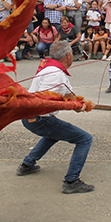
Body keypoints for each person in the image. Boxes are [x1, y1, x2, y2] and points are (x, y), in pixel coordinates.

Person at [15, 41, 94, 194]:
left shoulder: (52, 69)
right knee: (85, 139)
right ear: (68, 55)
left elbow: (68, 95)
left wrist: (81, 104)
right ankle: (71, 181)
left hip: (34, 118)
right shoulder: (55, 74)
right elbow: (43, 102)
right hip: (39, 119)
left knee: (54, 134)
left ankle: (27, 165)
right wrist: (75, 106)